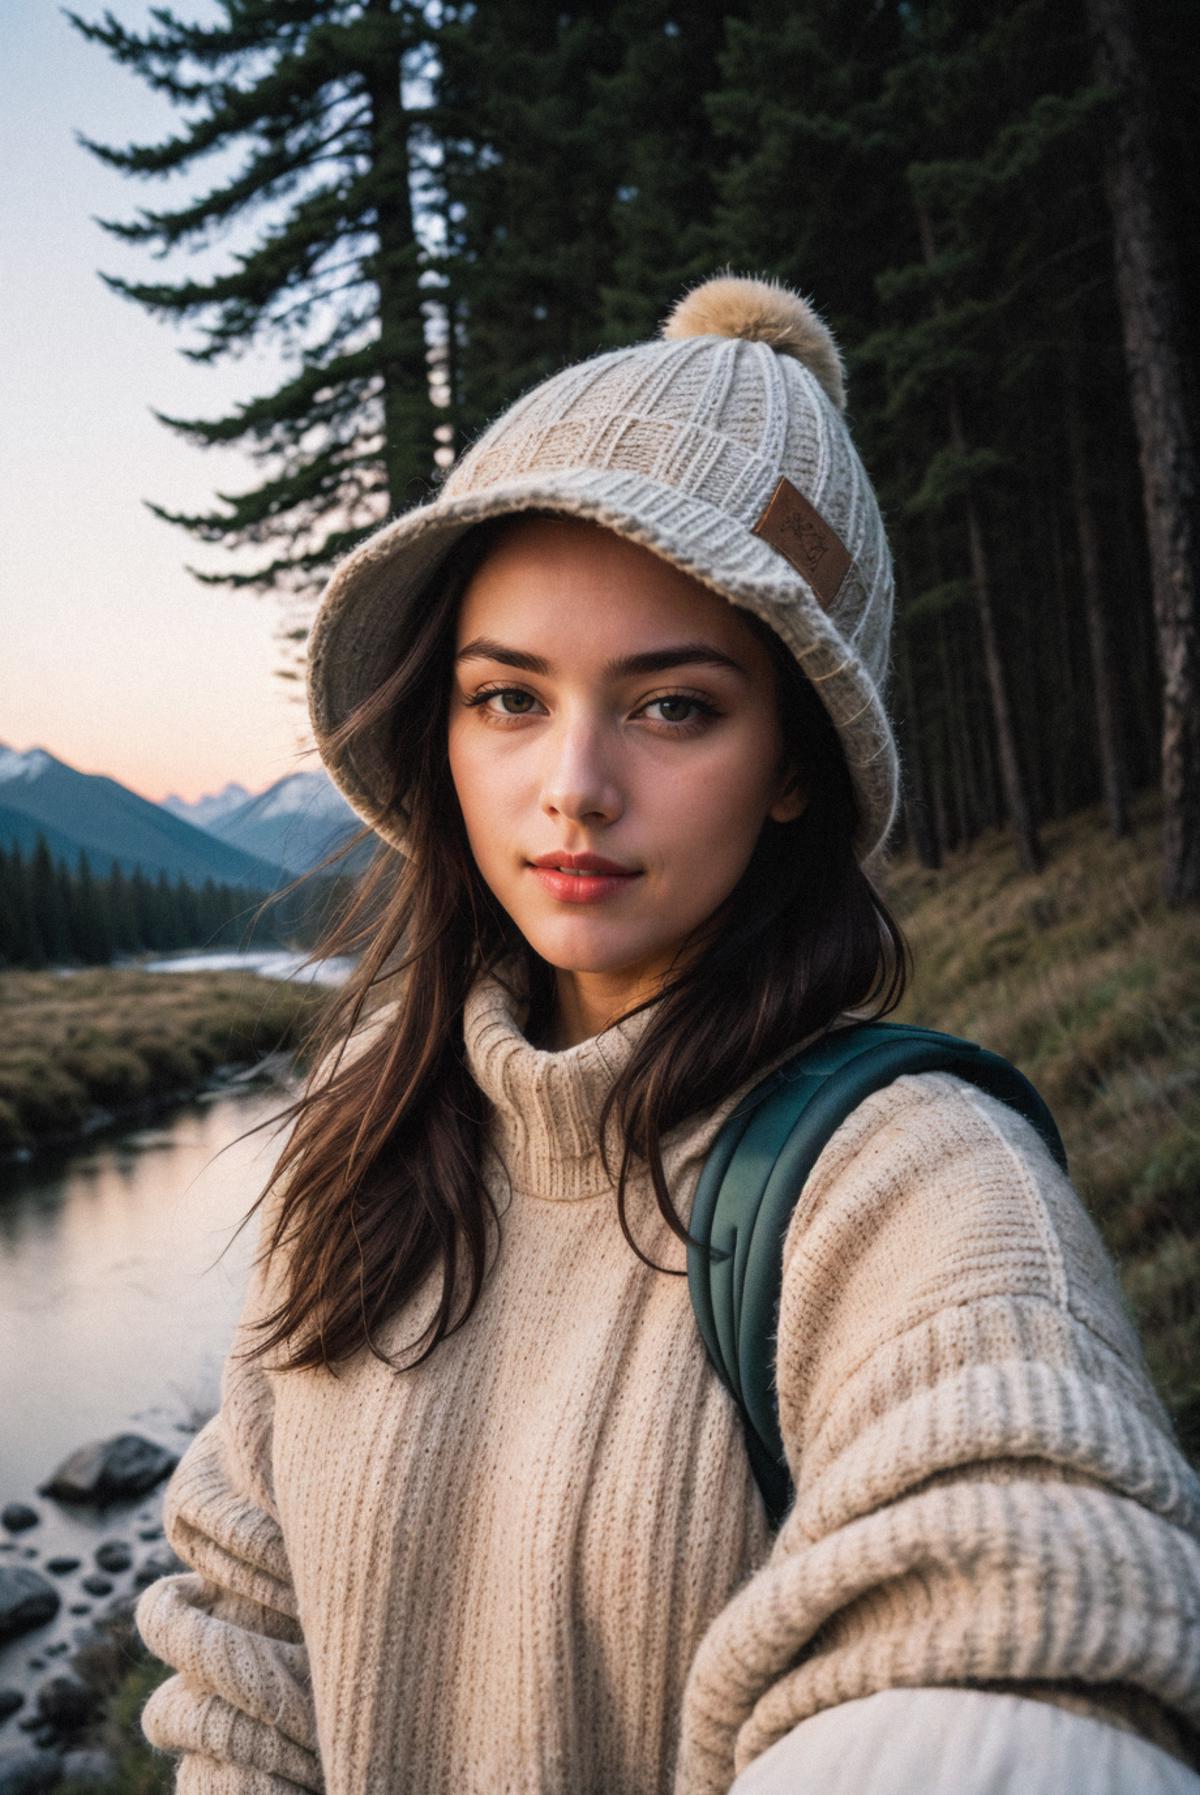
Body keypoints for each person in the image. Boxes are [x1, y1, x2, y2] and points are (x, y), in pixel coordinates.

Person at [135, 274, 1200, 1794]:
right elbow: (245, 1652)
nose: (573, 783)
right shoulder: (359, 1134)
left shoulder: (911, 1179)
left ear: (793, 763)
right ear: (442, 728)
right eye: (508, 698)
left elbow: (1026, 1568)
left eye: (676, 707)